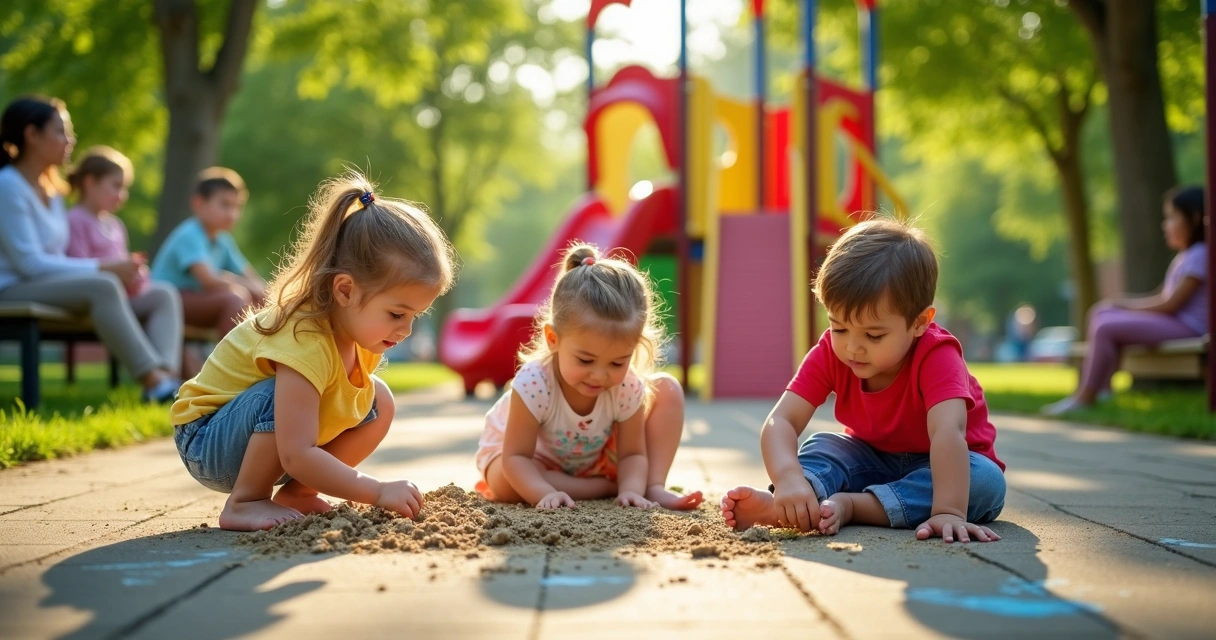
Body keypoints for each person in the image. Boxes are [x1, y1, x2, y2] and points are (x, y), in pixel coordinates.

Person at [170, 171, 457, 531]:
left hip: (253, 439)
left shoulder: (360, 336)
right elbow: (297, 454)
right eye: (397, 314)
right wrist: (377, 491)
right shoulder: (304, 336)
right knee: (279, 394)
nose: (406, 330)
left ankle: (299, 494)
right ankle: (245, 500)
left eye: (416, 316)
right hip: (207, 441)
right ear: (345, 290)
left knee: (378, 399)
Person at [720, 218, 1006, 543]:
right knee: (823, 445)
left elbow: (947, 431)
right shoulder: (831, 352)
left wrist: (949, 511)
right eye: (839, 327)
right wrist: (788, 478)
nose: (852, 347)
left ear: (919, 323)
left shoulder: (937, 355)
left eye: (873, 335)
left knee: (987, 481)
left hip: (944, 468)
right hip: (869, 459)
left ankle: (853, 506)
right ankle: (795, 503)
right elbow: (781, 420)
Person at [475, 244, 704, 511]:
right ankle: (604, 487)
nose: (599, 375)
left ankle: (651, 487)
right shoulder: (534, 384)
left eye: (617, 362)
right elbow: (516, 458)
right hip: (529, 459)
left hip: (594, 460)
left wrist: (631, 490)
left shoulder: (626, 385)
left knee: (667, 388)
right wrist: (543, 494)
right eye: (585, 360)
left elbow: (632, 454)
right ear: (553, 339)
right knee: (505, 484)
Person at [0, 96, 179, 402]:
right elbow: (28, 263)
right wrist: (104, 267)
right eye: (60, 132)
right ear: (32, 135)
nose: (69, 140)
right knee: (103, 284)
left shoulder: (53, 191)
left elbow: (57, 257)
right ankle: (153, 380)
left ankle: (167, 380)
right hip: (13, 288)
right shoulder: (8, 185)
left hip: (48, 285)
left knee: (163, 294)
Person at [1042, 186, 1209, 416]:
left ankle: (1085, 397)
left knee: (1106, 326)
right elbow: (1164, 296)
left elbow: (1171, 304)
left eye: (1171, 217)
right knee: (1101, 313)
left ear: (1195, 217)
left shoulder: (1200, 254)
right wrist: (1121, 304)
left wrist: (1125, 306)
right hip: (1177, 322)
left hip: (1189, 327)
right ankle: (1103, 389)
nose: (1165, 225)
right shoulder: (1187, 256)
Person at [64, 145, 184, 377]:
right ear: (90, 183)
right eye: (116, 186)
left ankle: (168, 372)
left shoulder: (116, 225)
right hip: (99, 301)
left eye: (125, 188)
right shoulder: (76, 220)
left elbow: (122, 263)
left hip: (124, 297)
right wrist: (117, 271)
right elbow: (78, 266)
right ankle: (154, 376)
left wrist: (136, 274)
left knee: (165, 293)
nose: (122, 195)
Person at [151, 167, 266, 339]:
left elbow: (249, 276)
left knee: (263, 300)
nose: (232, 214)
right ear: (199, 203)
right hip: (167, 302)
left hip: (195, 300)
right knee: (235, 299)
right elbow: (208, 281)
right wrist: (247, 286)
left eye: (237, 206)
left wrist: (265, 293)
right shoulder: (190, 234)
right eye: (225, 205)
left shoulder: (222, 240)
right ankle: (231, 355)